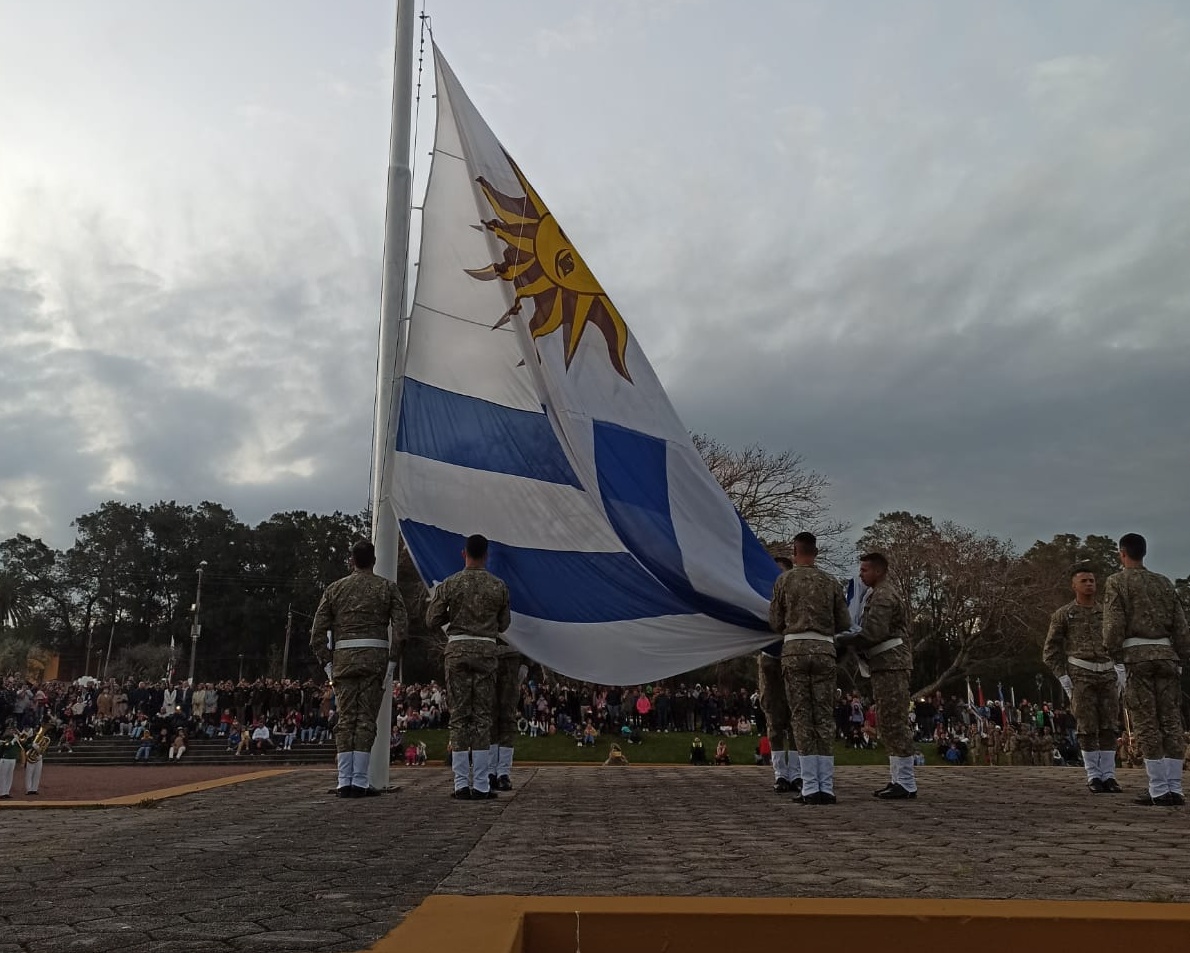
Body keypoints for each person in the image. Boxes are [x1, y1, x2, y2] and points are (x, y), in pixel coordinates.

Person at [311, 538, 408, 799]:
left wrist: (328, 663)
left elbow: (317, 633)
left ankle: (345, 780)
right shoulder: (387, 588)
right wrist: (392, 660)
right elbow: (400, 630)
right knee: (365, 720)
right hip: (374, 661)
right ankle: (360, 781)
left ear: (351, 561)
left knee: (345, 720)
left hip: (343, 661)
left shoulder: (335, 589)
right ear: (374, 561)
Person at [1103, 533, 1190, 806]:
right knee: (1171, 722)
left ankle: (1158, 788)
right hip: (1167, 656)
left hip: (1137, 657)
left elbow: (1114, 625)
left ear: (1122, 553)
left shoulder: (1117, 582)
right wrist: (1182, 657)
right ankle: (1176, 787)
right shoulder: (1163, 582)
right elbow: (1181, 625)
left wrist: (1113, 651)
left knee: (1147, 723)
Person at [426, 533, 510, 800]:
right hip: (486, 651)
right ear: (486, 555)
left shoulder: (451, 584)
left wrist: (455, 616)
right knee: (483, 717)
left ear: (464, 553)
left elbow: (431, 619)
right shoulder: (498, 586)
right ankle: (483, 785)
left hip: (458, 650)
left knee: (460, 718)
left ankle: (461, 784)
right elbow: (504, 623)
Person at [772, 532, 852, 804]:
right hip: (824, 652)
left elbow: (775, 621)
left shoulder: (784, 581)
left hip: (794, 651)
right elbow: (844, 621)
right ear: (815, 552)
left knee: (802, 717)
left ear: (795, 552)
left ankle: (809, 786)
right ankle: (826, 786)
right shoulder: (830, 582)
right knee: (824, 718)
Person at [839, 552, 917, 800]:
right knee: (886, 720)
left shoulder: (884, 596)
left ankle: (906, 781)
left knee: (894, 720)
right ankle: (898, 779)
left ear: (879, 571)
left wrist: (842, 639)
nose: (860, 574)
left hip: (891, 665)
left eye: (864, 570)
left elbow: (873, 632)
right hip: (884, 665)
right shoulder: (875, 594)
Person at [1042, 563, 1123, 794]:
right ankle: (1093, 775)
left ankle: (1109, 774)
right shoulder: (1064, 614)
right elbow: (1050, 650)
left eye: (1092, 580)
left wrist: (1120, 668)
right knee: (1086, 726)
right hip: (1081, 673)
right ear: (1073, 585)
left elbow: (1119, 640)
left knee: (1109, 725)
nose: (1089, 584)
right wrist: (1063, 676)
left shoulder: (1107, 612)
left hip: (1107, 672)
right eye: (1084, 581)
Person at [759, 555, 800, 794]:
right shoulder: (758, 598)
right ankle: (780, 774)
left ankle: (796, 773)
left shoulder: (797, 598)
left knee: (796, 719)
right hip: (769, 663)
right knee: (774, 721)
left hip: (793, 659)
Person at [488, 641, 528, 792]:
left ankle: (503, 773)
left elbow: (528, 625)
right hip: (487, 656)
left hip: (512, 658)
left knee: (507, 717)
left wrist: (526, 663)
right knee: (490, 718)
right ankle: (490, 771)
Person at [0, 722, 22, 799]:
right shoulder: (4, 738)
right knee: (3, 776)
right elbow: (7, 746)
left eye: (14, 730)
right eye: (11, 730)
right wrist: (13, 741)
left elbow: (21, 747)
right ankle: (1, 793)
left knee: (10, 776)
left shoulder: (16, 739)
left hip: (13, 759)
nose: (13, 732)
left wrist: (18, 740)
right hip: (5, 759)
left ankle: (6, 792)